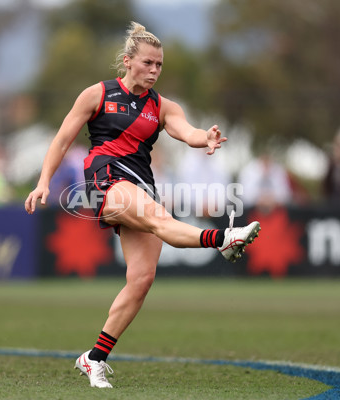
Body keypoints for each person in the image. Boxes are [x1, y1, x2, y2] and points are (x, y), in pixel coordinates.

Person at [24, 22, 261, 389]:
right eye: (148, 63)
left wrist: (206, 138)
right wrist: (43, 182)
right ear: (127, 61)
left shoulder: (163, 106)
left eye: (159, 65)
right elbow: (60, 141)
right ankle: (225, 239)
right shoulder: (97, 94)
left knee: (141, 280)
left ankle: (94, 358)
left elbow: (187, 131)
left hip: (141, 184)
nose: (154, 71)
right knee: (159, 219)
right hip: (106, 179)